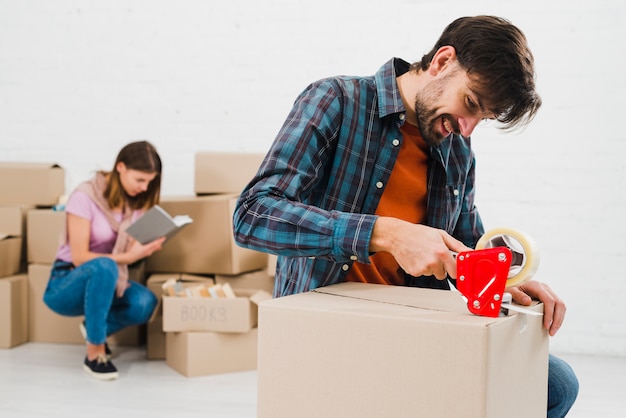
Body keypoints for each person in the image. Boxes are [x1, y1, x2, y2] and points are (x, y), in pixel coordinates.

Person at [233, 15, 578, 417]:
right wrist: (386, 234)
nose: (466, 129)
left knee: (556, 385)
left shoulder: (458, 153)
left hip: (414, 327)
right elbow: (252, 214)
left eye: (480, 119)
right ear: (442, 61)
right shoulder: (336, 101)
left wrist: (510, 281)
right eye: (470, 103)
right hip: (327, 325)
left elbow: (466, 254)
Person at [43, 140, 165, 381]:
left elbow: (126, 252)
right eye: (140, 180)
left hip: (108, 279)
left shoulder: (135, 203)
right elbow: (79, 258)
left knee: (144, 302)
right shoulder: (84, 196)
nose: (144, 187)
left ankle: (93, 328)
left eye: (149, 182)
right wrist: (128, 256)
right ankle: (94, 354)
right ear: (120, 167)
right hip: (66, 281)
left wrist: (142, 248)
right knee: (105, 265)